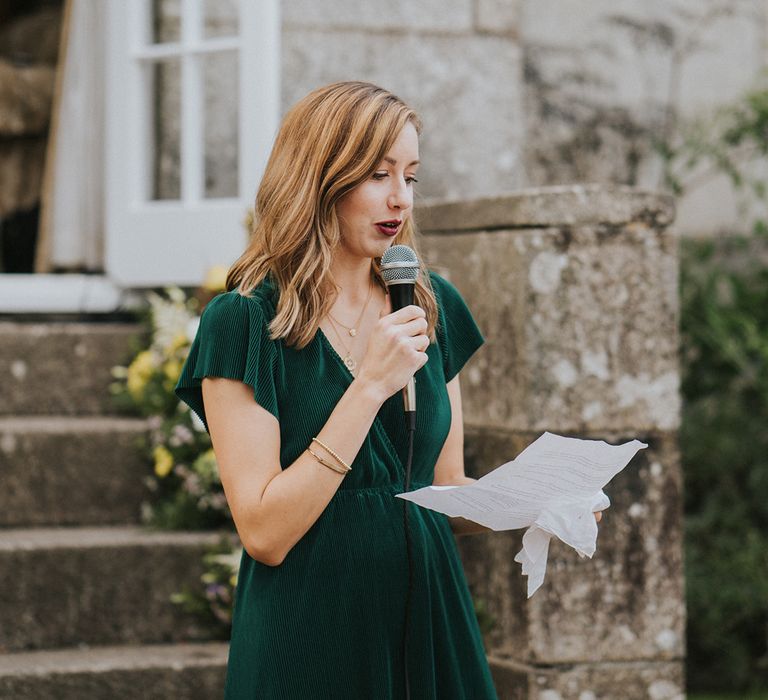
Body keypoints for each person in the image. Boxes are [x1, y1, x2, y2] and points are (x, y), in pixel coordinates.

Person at [175, 81, 600, 699]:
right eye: (378, 175)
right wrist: (369, 385)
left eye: (412, 176)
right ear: (320, 180)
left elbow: (443, 489)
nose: (400, 199)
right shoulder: (244, 324)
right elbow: (264, 533)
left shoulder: (431, 302)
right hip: (309, 633)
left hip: (431, 618)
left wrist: (535, 502)